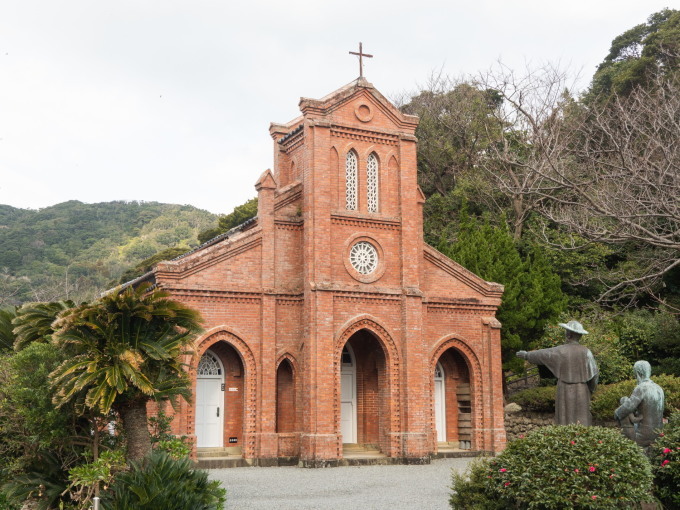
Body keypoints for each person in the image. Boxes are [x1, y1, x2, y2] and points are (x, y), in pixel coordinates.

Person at [517, 320, 599, 425]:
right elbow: (594, 375)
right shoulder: (587, 352)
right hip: (582, 390)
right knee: (582, 420)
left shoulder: (560, 351)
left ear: (569, 334)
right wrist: (590, 390)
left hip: (564, 389)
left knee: (564, 419)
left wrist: (527, 355)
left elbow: (543, 354)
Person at [614, 360, 664, 447]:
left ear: (638, 373)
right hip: (658, 432)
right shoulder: (659, 388)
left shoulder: (641, 388)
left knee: (623, 414)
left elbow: (628, 407)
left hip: (644, 433)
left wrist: (616, 413)